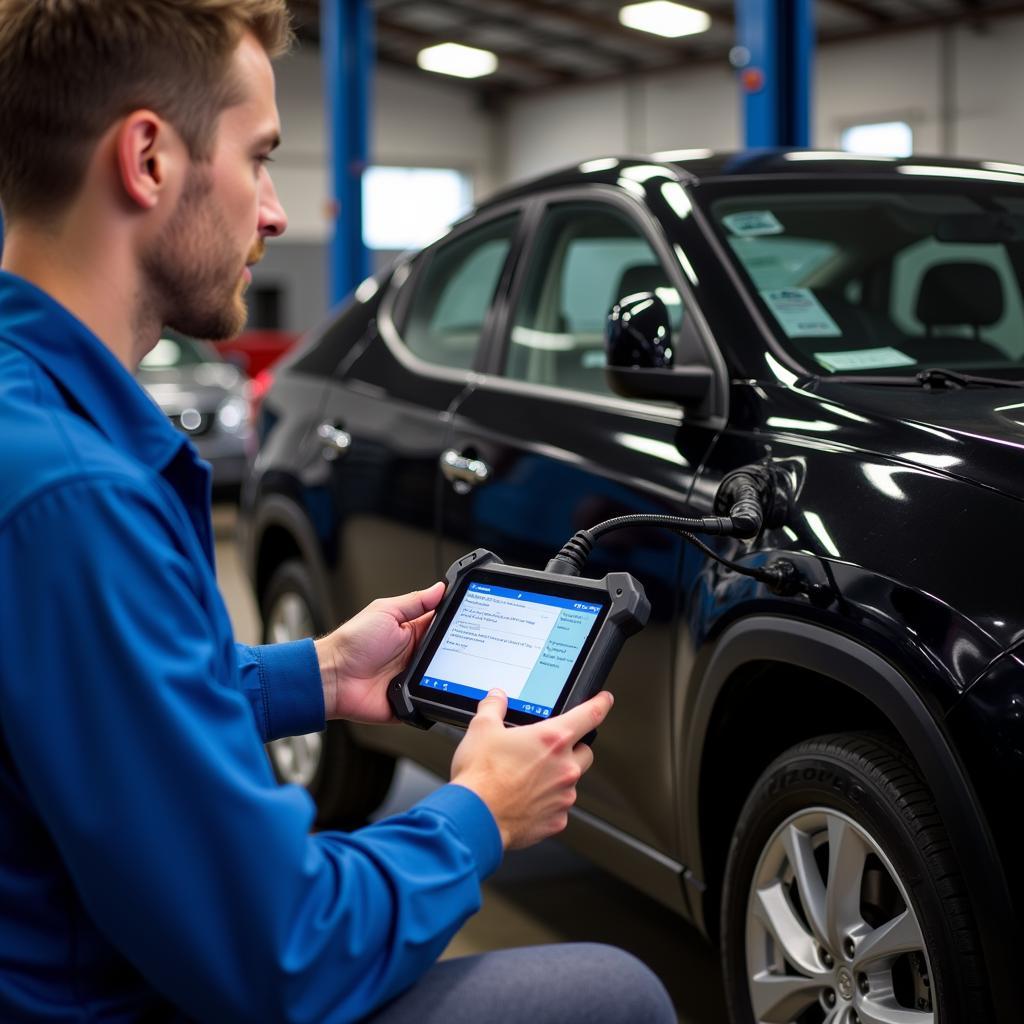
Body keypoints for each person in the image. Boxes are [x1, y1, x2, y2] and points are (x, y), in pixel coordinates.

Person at [0, 3, 677, 1022]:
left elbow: (94, 699)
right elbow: (281, 952)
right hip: (109, 997)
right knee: (612, 993)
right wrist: (476, 815)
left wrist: (314, 673)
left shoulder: (32, 420)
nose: (274, 213)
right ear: (146, 158)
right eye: (259, 158)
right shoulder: (78, 497)